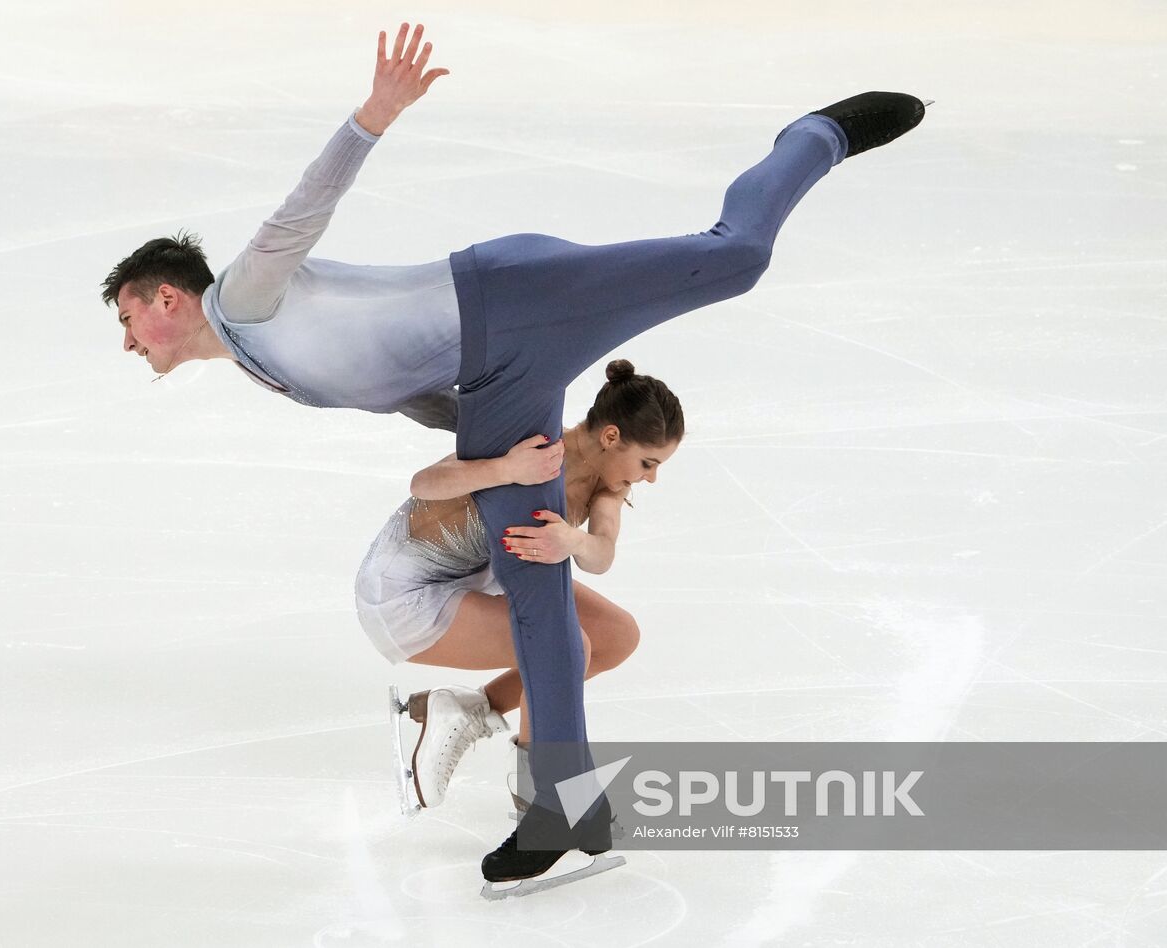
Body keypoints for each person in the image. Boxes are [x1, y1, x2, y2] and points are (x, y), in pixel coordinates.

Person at [99, 21, 928, 886]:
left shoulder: (242, 296)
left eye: (126, 317)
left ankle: (815, 136)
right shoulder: (273, 371)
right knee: (541, 592)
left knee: (737, 258)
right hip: (494, 385)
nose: (128, 341)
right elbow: (421, 395)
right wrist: (499, 466)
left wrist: (372, 117)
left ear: (165, 296)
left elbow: (301, 209)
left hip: (511, 297)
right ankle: (561, 809)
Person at [361, 360, 681, 813]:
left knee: (616, 636)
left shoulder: (605, 488)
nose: (651, 477)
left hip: (477, 581)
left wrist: (573, 540)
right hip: (406, 596)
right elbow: (424, 484)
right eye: (648, 462)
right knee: (565, 646)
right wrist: (506, 469)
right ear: (611, 437)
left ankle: (470, 710)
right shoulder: (532, 442)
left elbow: (601, 554)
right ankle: (537, 799)